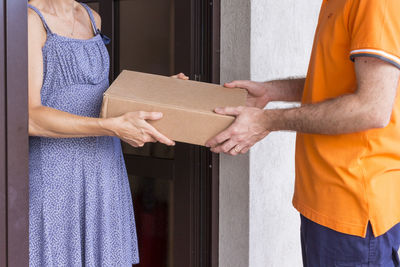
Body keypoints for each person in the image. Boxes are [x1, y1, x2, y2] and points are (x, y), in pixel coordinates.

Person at [206, 0, 400, 266]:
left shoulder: (376, 3)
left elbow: (371, 108)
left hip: (353, 207)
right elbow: (337, 82)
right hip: (326, 200)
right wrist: (272, 91)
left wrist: (265, 121)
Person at [28, 0, 187, 265]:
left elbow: (96, 96)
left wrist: (156, 93)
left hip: (103, 165)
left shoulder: (93, 18)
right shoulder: (30, 20)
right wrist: (109, 127)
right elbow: (31, 117)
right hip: (56, 170)